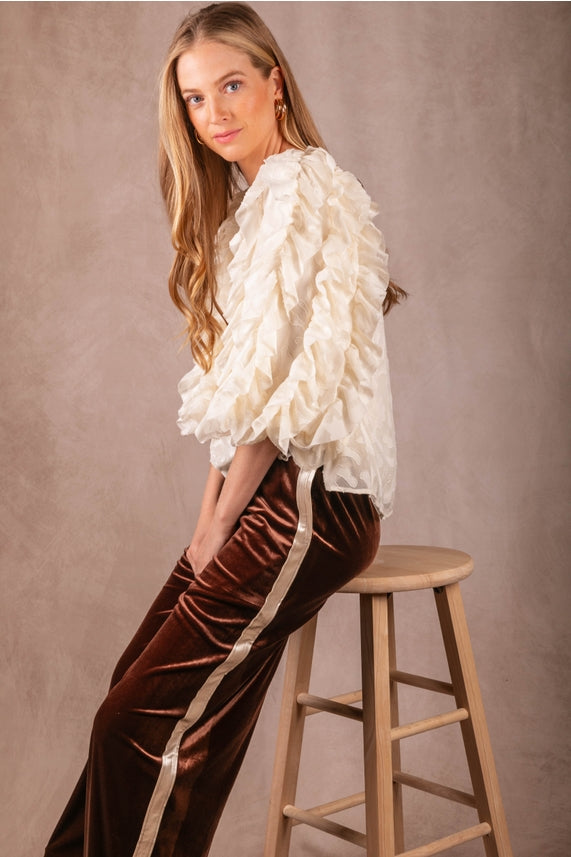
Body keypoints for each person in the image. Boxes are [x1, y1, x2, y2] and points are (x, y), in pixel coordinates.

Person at [44, 3, 405, 856]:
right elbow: (242, 397)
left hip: (311, 502)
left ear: (275, 84)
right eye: (196, 98)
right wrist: (208, 518)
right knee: (134, 693)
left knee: (134, 723)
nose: (215, 114)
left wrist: (217, 523)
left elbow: (278, 408)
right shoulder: (262, 201)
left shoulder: (298, 190)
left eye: (232, 85)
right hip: (270, 492)